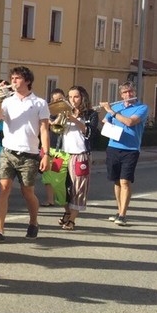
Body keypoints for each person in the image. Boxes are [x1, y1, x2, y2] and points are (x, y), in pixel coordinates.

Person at [0, 66, 50, 244]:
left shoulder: (39, 103)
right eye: (12, 78)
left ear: (27, 81)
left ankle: (33, 222)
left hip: (29, 153)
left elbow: (44, 130)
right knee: (4, 188)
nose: (13, 81)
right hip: (8, 151)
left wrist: (45, 154)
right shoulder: (7, 101)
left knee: (27, 191)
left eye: (17, 78)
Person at [100, 82, 148, 226]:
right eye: (125, 92)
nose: (128, 95)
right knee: (116, 181)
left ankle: (123, 214)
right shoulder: (117, 106)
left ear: (134, 92)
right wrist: (109, 123)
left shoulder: (141, 108)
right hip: (113, 147)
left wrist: (111, 111)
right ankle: (119, 210)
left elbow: (129, 122)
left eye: (131, 92)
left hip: (131, 149)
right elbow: (105, 121)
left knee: (125, 181)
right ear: (121, 95)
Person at [58, 85, 99, 231]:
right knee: (59, 186)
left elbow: (91, 133)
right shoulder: (64, 111)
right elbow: (57, 130)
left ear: (82, 98)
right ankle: (67, 211)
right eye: (70, 97)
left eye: (75, 97)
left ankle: (72, 219)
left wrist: (74, 119)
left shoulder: (90, 115)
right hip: (63, 153)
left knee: (78, 188)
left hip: (80, 154)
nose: (72, 100)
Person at [41, 88, 67, 207]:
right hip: (48, 147)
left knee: (57, 177)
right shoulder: (49, 112)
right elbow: (47, 126)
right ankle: (50, 199)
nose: (58, 101)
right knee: (46, 176)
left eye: (60, 99)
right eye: (55, 100)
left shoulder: (68, 112)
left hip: (60, 149)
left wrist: (64, 115)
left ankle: (61, 199)